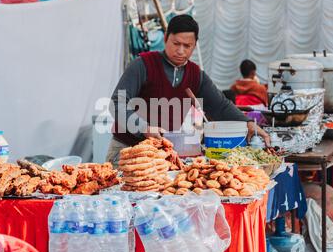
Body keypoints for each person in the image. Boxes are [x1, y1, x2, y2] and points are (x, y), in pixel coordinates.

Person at [106, 15, 270, 165]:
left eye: (187, 46)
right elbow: (117, 103)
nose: (181, 51)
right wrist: (144, 128)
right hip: (126, 151)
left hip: (162, 157)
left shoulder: (195, 75)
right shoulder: (142, 65)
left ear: (194, 45)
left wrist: (248, 123)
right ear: (165, 38)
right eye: (176, 43)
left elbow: (220, 106)